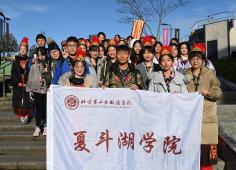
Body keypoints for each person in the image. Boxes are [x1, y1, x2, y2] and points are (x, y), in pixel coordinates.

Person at [184, 43, 222, 170]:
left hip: (207, 118)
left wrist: (209, 93)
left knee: (206, 155)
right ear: (189, 60)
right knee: (190, 152)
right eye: (193, 58)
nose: (195, 61)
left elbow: (218, 93)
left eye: (198, 59)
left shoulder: (210, 74)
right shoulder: (184, 75)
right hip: (189, 119)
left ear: (203, 60)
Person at [26, 47, 51, 137]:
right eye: (39, 55)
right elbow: (30, 78)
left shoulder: (49, 65)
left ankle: (46, 126)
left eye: (43, 54)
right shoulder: (33, 66)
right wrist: (29, 90)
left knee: (45, 109)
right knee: (38, 109)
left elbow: (50, 79)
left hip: (46, 91)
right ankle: (37, 126)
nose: (41, 57)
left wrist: (47, 72)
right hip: (36, 90)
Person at [10, 37, 33, 125]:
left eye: (24, 49)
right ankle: (20, 115)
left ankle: (26, 114)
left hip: (27, 84)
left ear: (27, 50)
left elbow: (31, 72)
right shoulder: (15, 61)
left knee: (27, 100)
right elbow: (13, 73)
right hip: (18, 84)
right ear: (19, 50)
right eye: (21, 49)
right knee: (18, 100)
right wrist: (17, 81)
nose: (23, 50)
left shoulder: (29, 60)